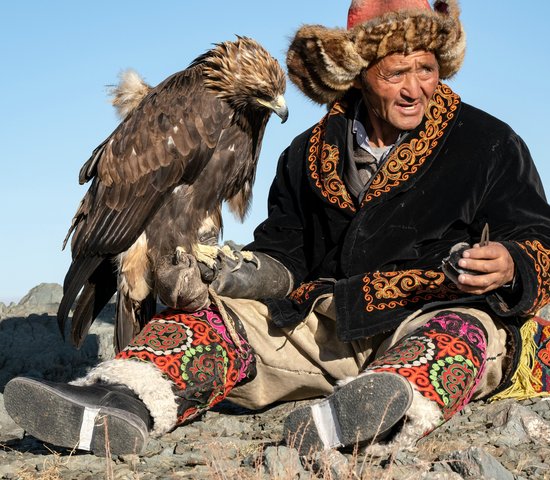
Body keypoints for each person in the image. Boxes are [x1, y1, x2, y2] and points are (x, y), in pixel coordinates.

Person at [6, 0, 550, 458]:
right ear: (361, 75)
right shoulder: (305, 154)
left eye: (426, 70)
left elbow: (538, 237)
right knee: (214, 324)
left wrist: (510, 262)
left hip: (431, 312)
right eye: (395, 74)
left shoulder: (489, 142)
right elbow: (284, 253)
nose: (414, 89)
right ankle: (117, 404)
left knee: (457, 339)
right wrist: (223, 276)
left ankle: (374, 412)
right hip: (323, 326)